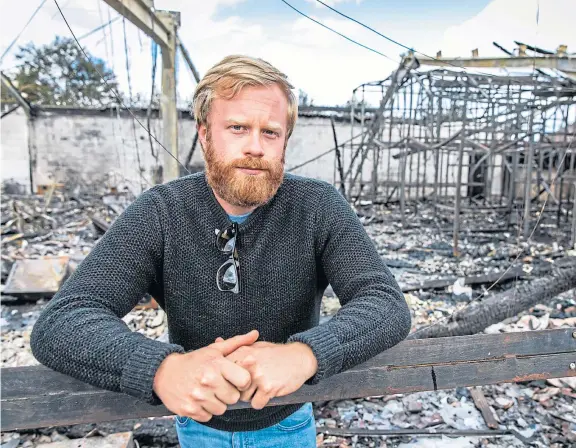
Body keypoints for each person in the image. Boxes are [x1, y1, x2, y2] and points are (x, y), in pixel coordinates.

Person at [30, 55, 412, 448]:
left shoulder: (317, 206)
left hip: (288, 420)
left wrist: (304, 354)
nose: (255, 147)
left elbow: (384, 302)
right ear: (205, 134)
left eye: (270, 132)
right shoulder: (161, 211)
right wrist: (161, 368)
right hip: (198, 423)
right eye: (237, 128)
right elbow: (64, 320)